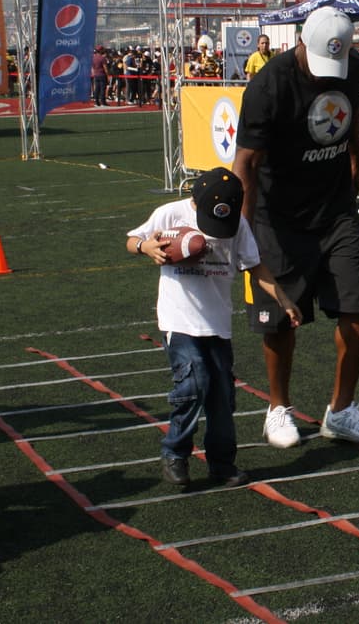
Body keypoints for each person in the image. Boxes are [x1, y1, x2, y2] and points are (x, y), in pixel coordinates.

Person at [233, 5, 359, 449]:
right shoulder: (268, 86)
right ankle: (277, 409)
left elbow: (350, 115)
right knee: (280, 320)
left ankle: (340, 411)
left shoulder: (352, 68)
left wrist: (356, 162)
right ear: (300, 44)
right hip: (278, 217)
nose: (327, 76)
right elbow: (245, 165)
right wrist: (245, 236)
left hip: (335, 210)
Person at [127, 168, 300, 486]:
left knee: (222, 396)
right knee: (194, 383)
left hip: (217, 323)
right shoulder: (170, 213)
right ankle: (175, 453)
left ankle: (221, 463)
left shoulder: (238, 224)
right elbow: (133, 239)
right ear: (195, 201)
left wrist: (283, 299)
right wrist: (144, 247)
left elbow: (255, 266)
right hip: (179, 319)